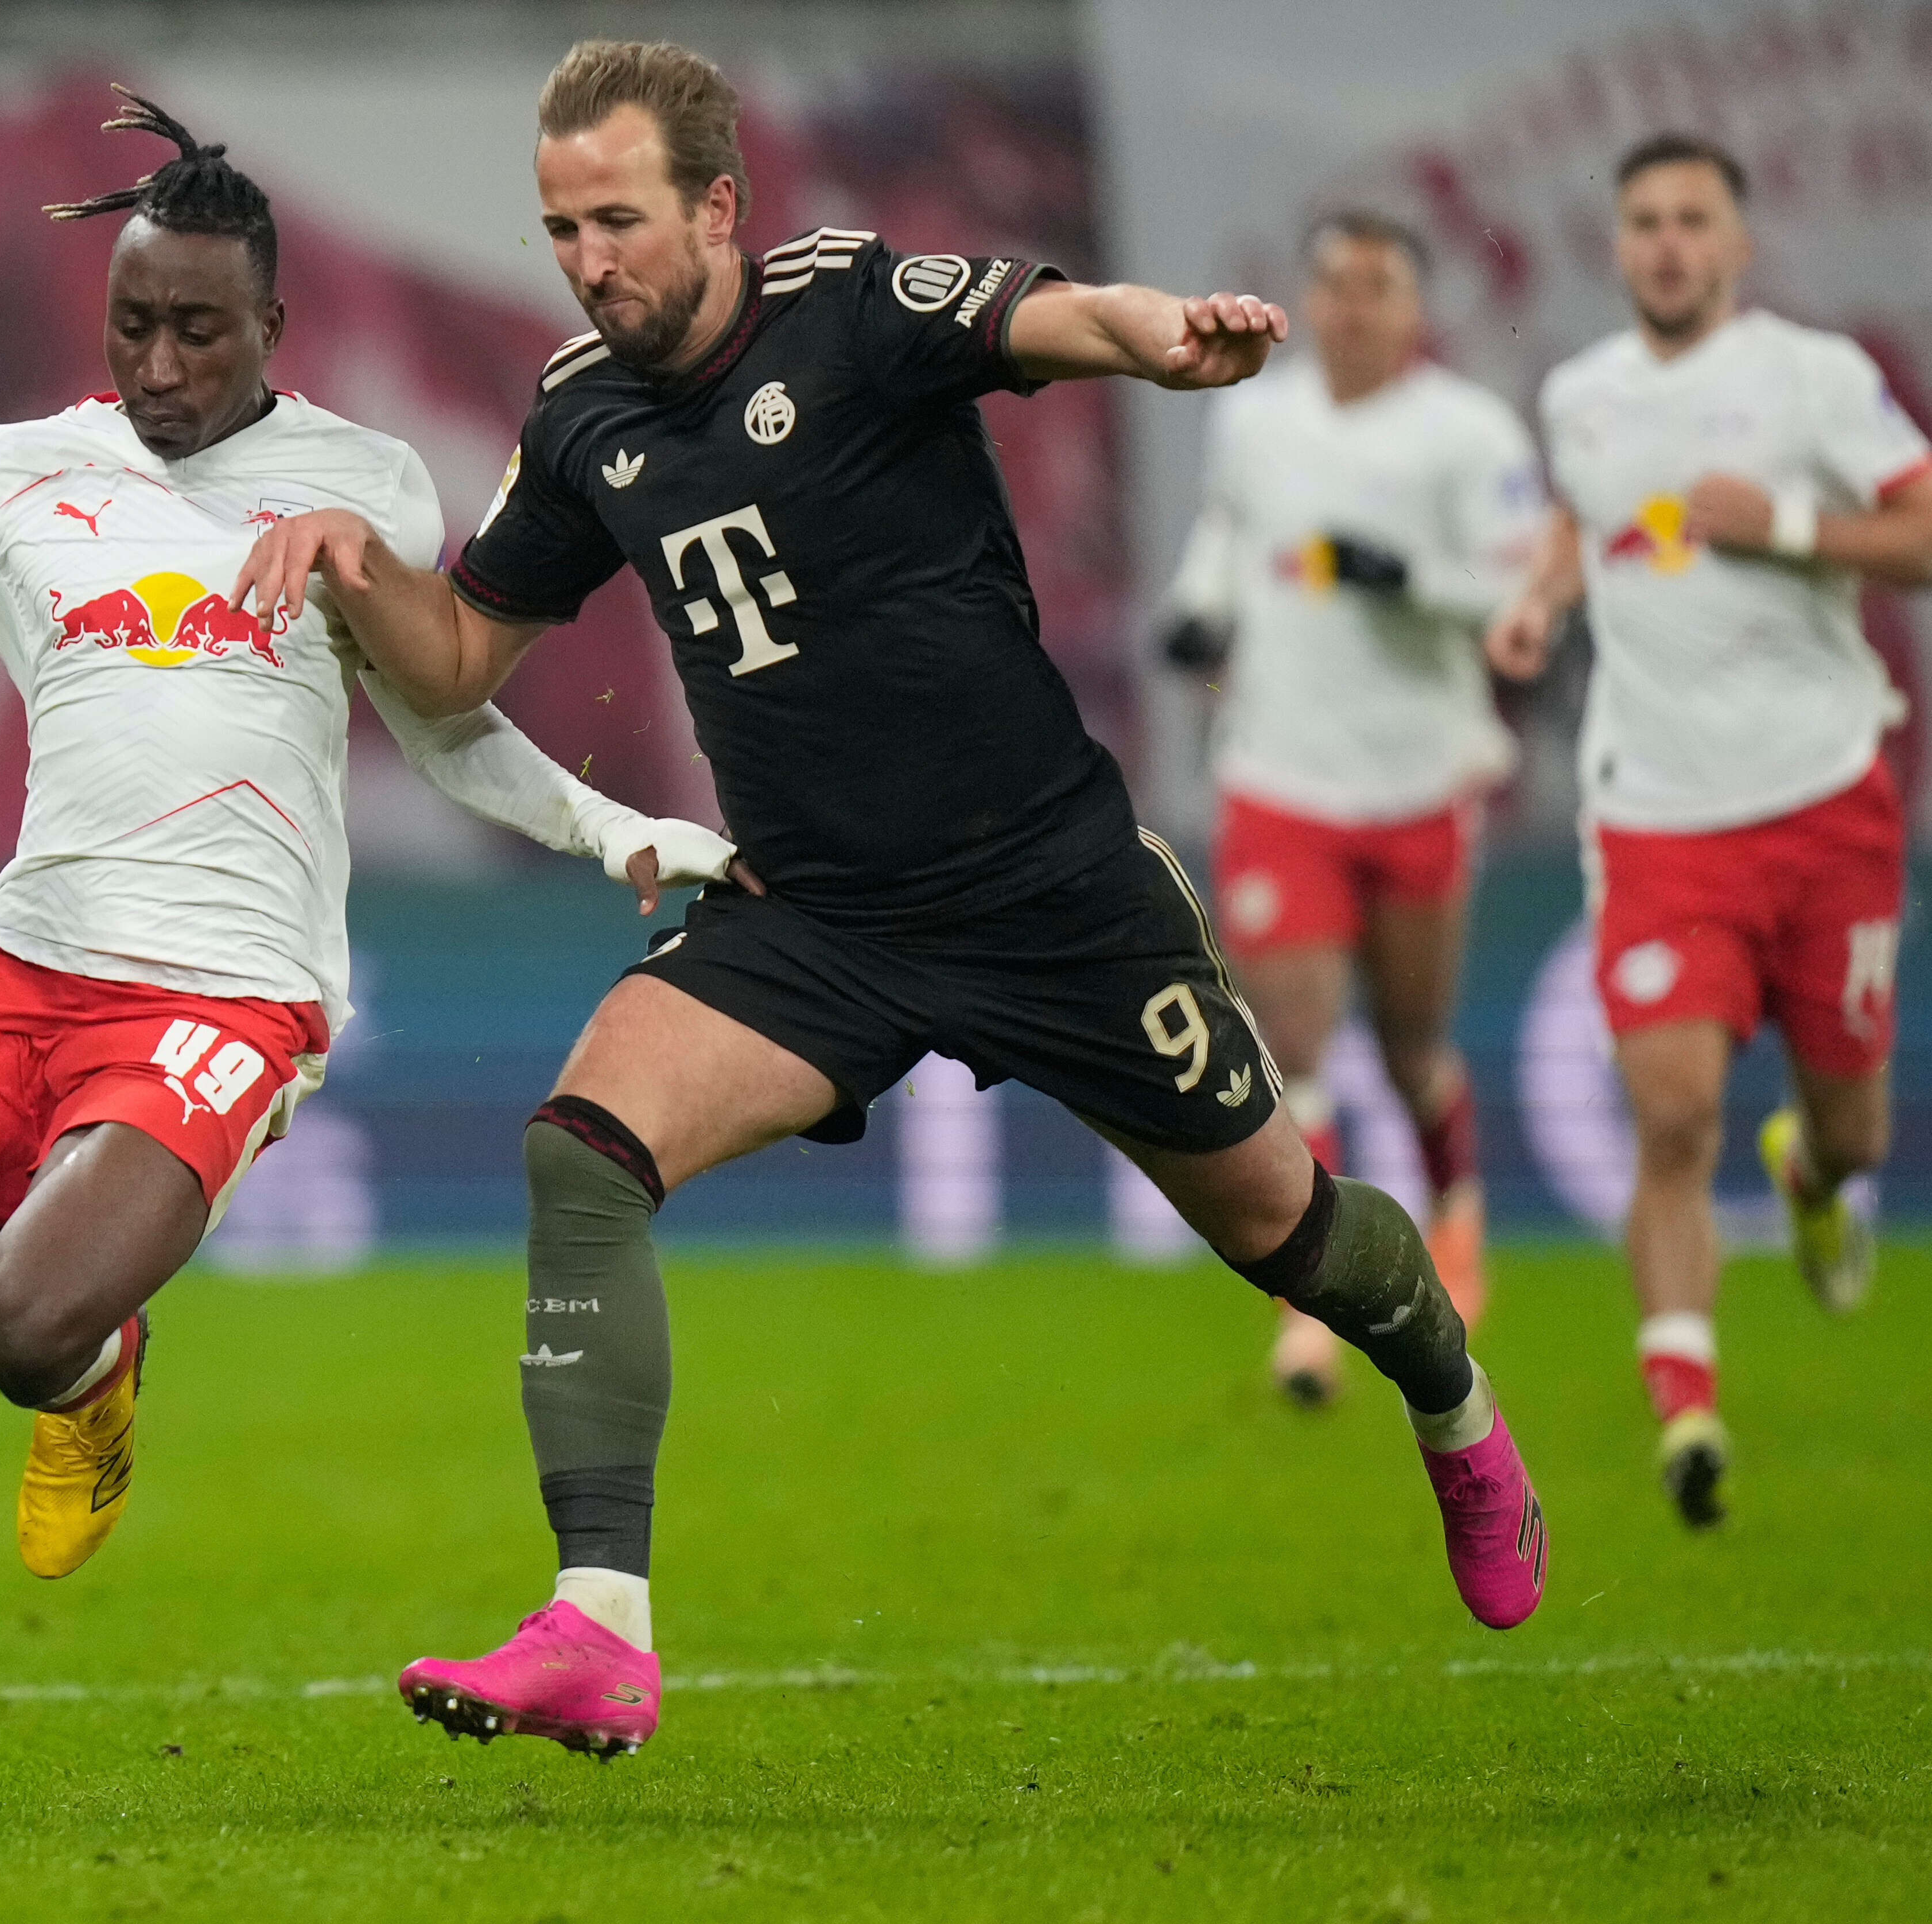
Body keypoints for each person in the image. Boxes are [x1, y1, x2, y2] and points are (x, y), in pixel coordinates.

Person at [239, 39, 1548, 1762]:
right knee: (579, 1152)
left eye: (617, 220)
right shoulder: (581, 421)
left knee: (1281, 1229)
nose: (586, 261)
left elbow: (1046, 318)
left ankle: (1449, 1403)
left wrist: (1158, 336)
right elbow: (464, 649)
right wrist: (354, 566)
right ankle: (598, 1629)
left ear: (718, 206)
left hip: (1049, 892)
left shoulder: (848, 305)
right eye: (559, 228)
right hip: (817, 921)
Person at [0, 90, 736, 1818]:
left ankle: (97, 1375)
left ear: (272, 324)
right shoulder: (8, 474)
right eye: (131, 326)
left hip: (223, 991)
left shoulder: (359, 481)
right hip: (15, 966)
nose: (160, 362)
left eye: (196, 328)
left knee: (26, 1328)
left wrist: (612, 827)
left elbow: (445, 722)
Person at [1484, 133, 1932, 1529]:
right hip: (1658, 816)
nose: (1667, 243)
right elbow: (1582, 518)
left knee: (1855, 1127)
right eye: (1643, 222)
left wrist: (1793, 524)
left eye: (1691, 220)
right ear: (1616, 246)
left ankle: (1813, 1172)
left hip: (1823, 801)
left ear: (1738, 244)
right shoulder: (1581, 394)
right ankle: (1686, 1410)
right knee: (1670, 1116)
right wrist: (1540, 600)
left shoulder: (1815, 378)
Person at [1161, 210, 1542, 1405]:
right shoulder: (1253, 416)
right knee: (1295, 1055)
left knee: (1413, 1048)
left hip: (1420, 775)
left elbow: (1516, 594)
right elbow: (1225, 535)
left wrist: (1407, 579)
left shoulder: (1467, 434)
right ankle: (1313, 1311)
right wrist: (1198, 606)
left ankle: (1458, 1220)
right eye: (1332, 283)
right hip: (1279, 774)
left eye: (1377, 285)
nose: (1351, 306)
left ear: (1414, 308)